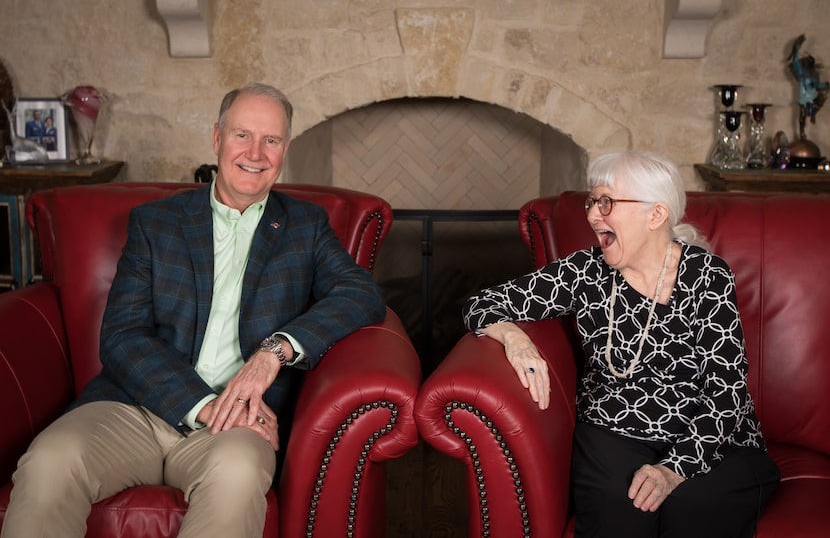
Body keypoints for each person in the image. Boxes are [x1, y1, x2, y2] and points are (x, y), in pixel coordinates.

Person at [0, 82, 387, 538]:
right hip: (133, 408)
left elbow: (360, 293)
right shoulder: (156, 223)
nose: (256, 153)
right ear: (217, 138)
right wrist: (202, 405)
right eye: (242, 135)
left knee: (239, 474)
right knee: (49, 461)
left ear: (285, 149)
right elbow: (122, 336)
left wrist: (274, 351)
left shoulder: (306, 226)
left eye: (272, 140)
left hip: (242, 422)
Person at [463, 151, 780, 538]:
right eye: (592, 201)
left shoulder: (707, 276)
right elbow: (481, 302)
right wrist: (514, 337)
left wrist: (674, 467)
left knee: (696, 505)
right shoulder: (584, 271)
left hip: (712, 435)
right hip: (613, 428)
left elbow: (727, 387)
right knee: (623, 507)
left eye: (607, 202)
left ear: (655, 215)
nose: (594, 214)